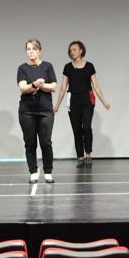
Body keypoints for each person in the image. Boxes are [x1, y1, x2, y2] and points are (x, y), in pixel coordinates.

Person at [54, 40, 111, 168]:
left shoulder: (89, 66)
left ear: (81, 51)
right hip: (73, 99)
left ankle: (88, 154)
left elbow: (96, 86)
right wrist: (57, 105)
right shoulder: (67, 67)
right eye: (70, 50)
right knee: (76, 129)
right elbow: (63, 88)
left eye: (74, 49)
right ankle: (80, 157)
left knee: (86, 126)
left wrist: (104, 102)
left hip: (87, 98)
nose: (72, 52)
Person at [17, 39, 57, 184]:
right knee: (30, 142)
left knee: (46, 142)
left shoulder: (47, 66)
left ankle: (48, 171)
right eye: (28, 49)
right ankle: (33, 171)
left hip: (45, 111)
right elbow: (22, 87)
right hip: (27, 111)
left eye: (34, 48)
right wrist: (34, 84)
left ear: (39, 50)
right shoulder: (22, 68)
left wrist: (40, 85)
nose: (31, 51)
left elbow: (53, 86)